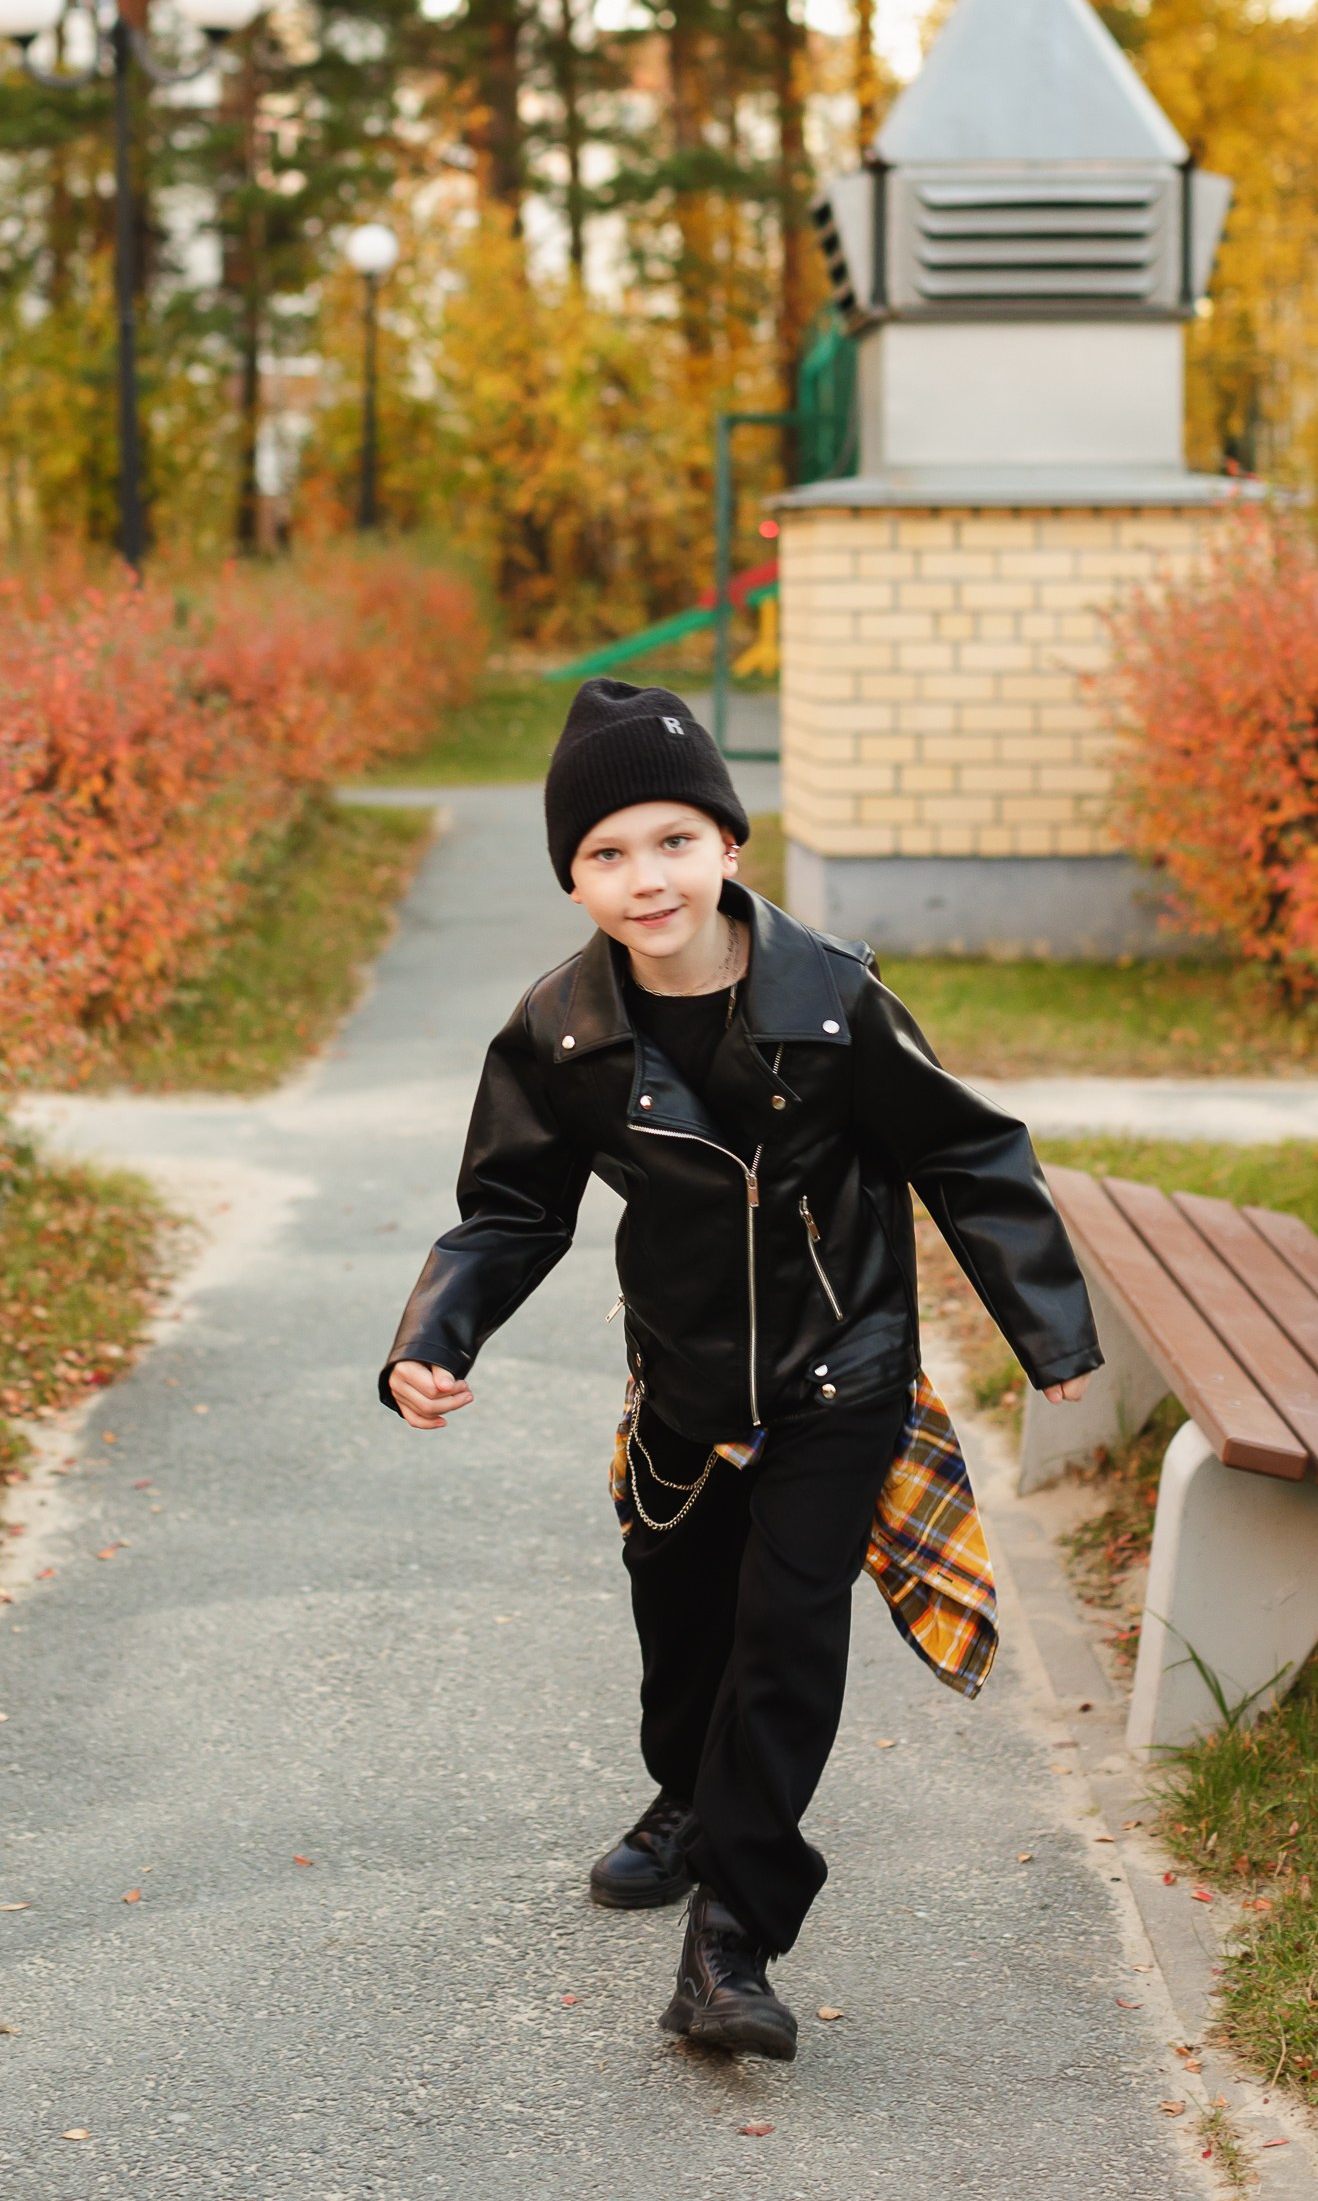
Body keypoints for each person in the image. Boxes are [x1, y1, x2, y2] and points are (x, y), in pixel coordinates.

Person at [379, 676, 1100, 2061]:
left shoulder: (833, 1003)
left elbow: (967, 1153)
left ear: (728, 844)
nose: (643, 878)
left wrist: (1050, 1333)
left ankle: (731, 1936)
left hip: (843, 1379)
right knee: (683, 1629)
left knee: (783, 1650)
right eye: (604, 854)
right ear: (573, 877)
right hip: (683, 1385)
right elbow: (512, 1207)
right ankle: (685, 1796)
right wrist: (433, 1336)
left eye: (670, 840)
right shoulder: (564, 1033)